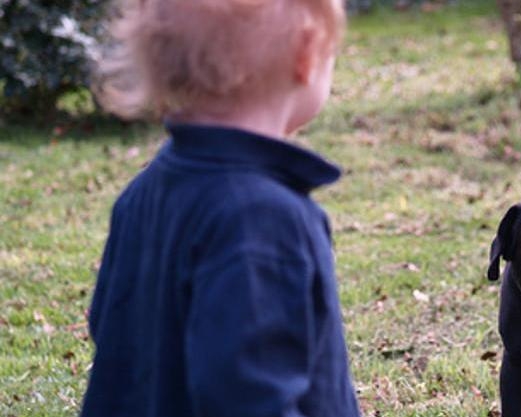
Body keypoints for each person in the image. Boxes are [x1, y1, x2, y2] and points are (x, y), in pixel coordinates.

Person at [80, 0, 361, 416]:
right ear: (307, 52)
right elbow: (251, 400)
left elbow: (112, 332)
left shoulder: (143, 193)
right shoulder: (264, 220)